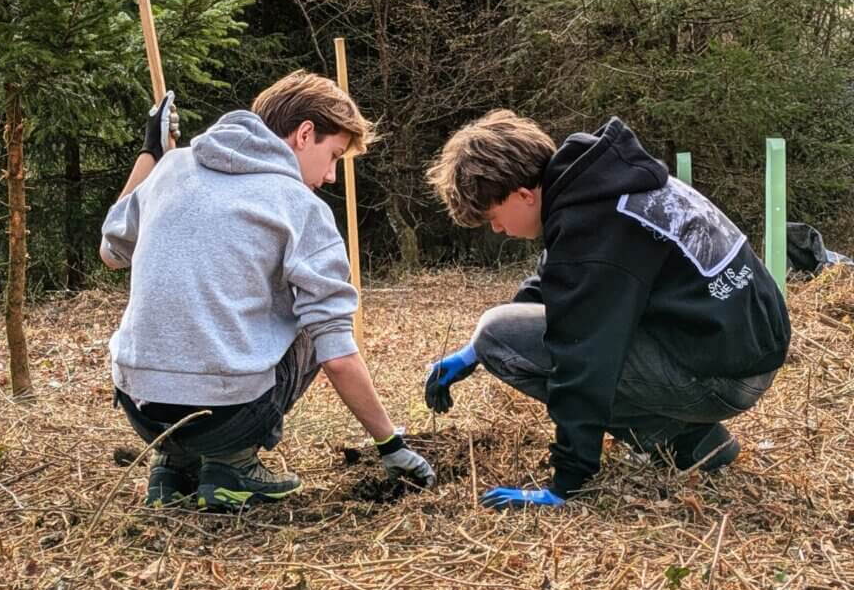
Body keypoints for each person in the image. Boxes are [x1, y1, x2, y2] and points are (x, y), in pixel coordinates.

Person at [101, 71, 435, 510]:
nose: (332, 175)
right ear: (304, 133)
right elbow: (335, 354)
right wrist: (389, 444)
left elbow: (111, 249)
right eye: (333, 156)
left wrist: (152, 152)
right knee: (315, 323)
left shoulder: (173, 167)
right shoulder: (299, 206)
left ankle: (173, 466)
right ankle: (231, 466)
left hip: (141, 409)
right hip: (226, 418)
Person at [425, 112, 790, 509]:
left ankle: (676, 436)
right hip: (742, 346)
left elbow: (583, 356)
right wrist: (473, 352)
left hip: (722, 376)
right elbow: (558, 283)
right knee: (495, 337)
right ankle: (693, 442)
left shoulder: (593, 226)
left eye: (493, 218)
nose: (497, 230)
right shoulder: (601, 185)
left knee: (497, 331)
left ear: (523, 195)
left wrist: (566, 482)